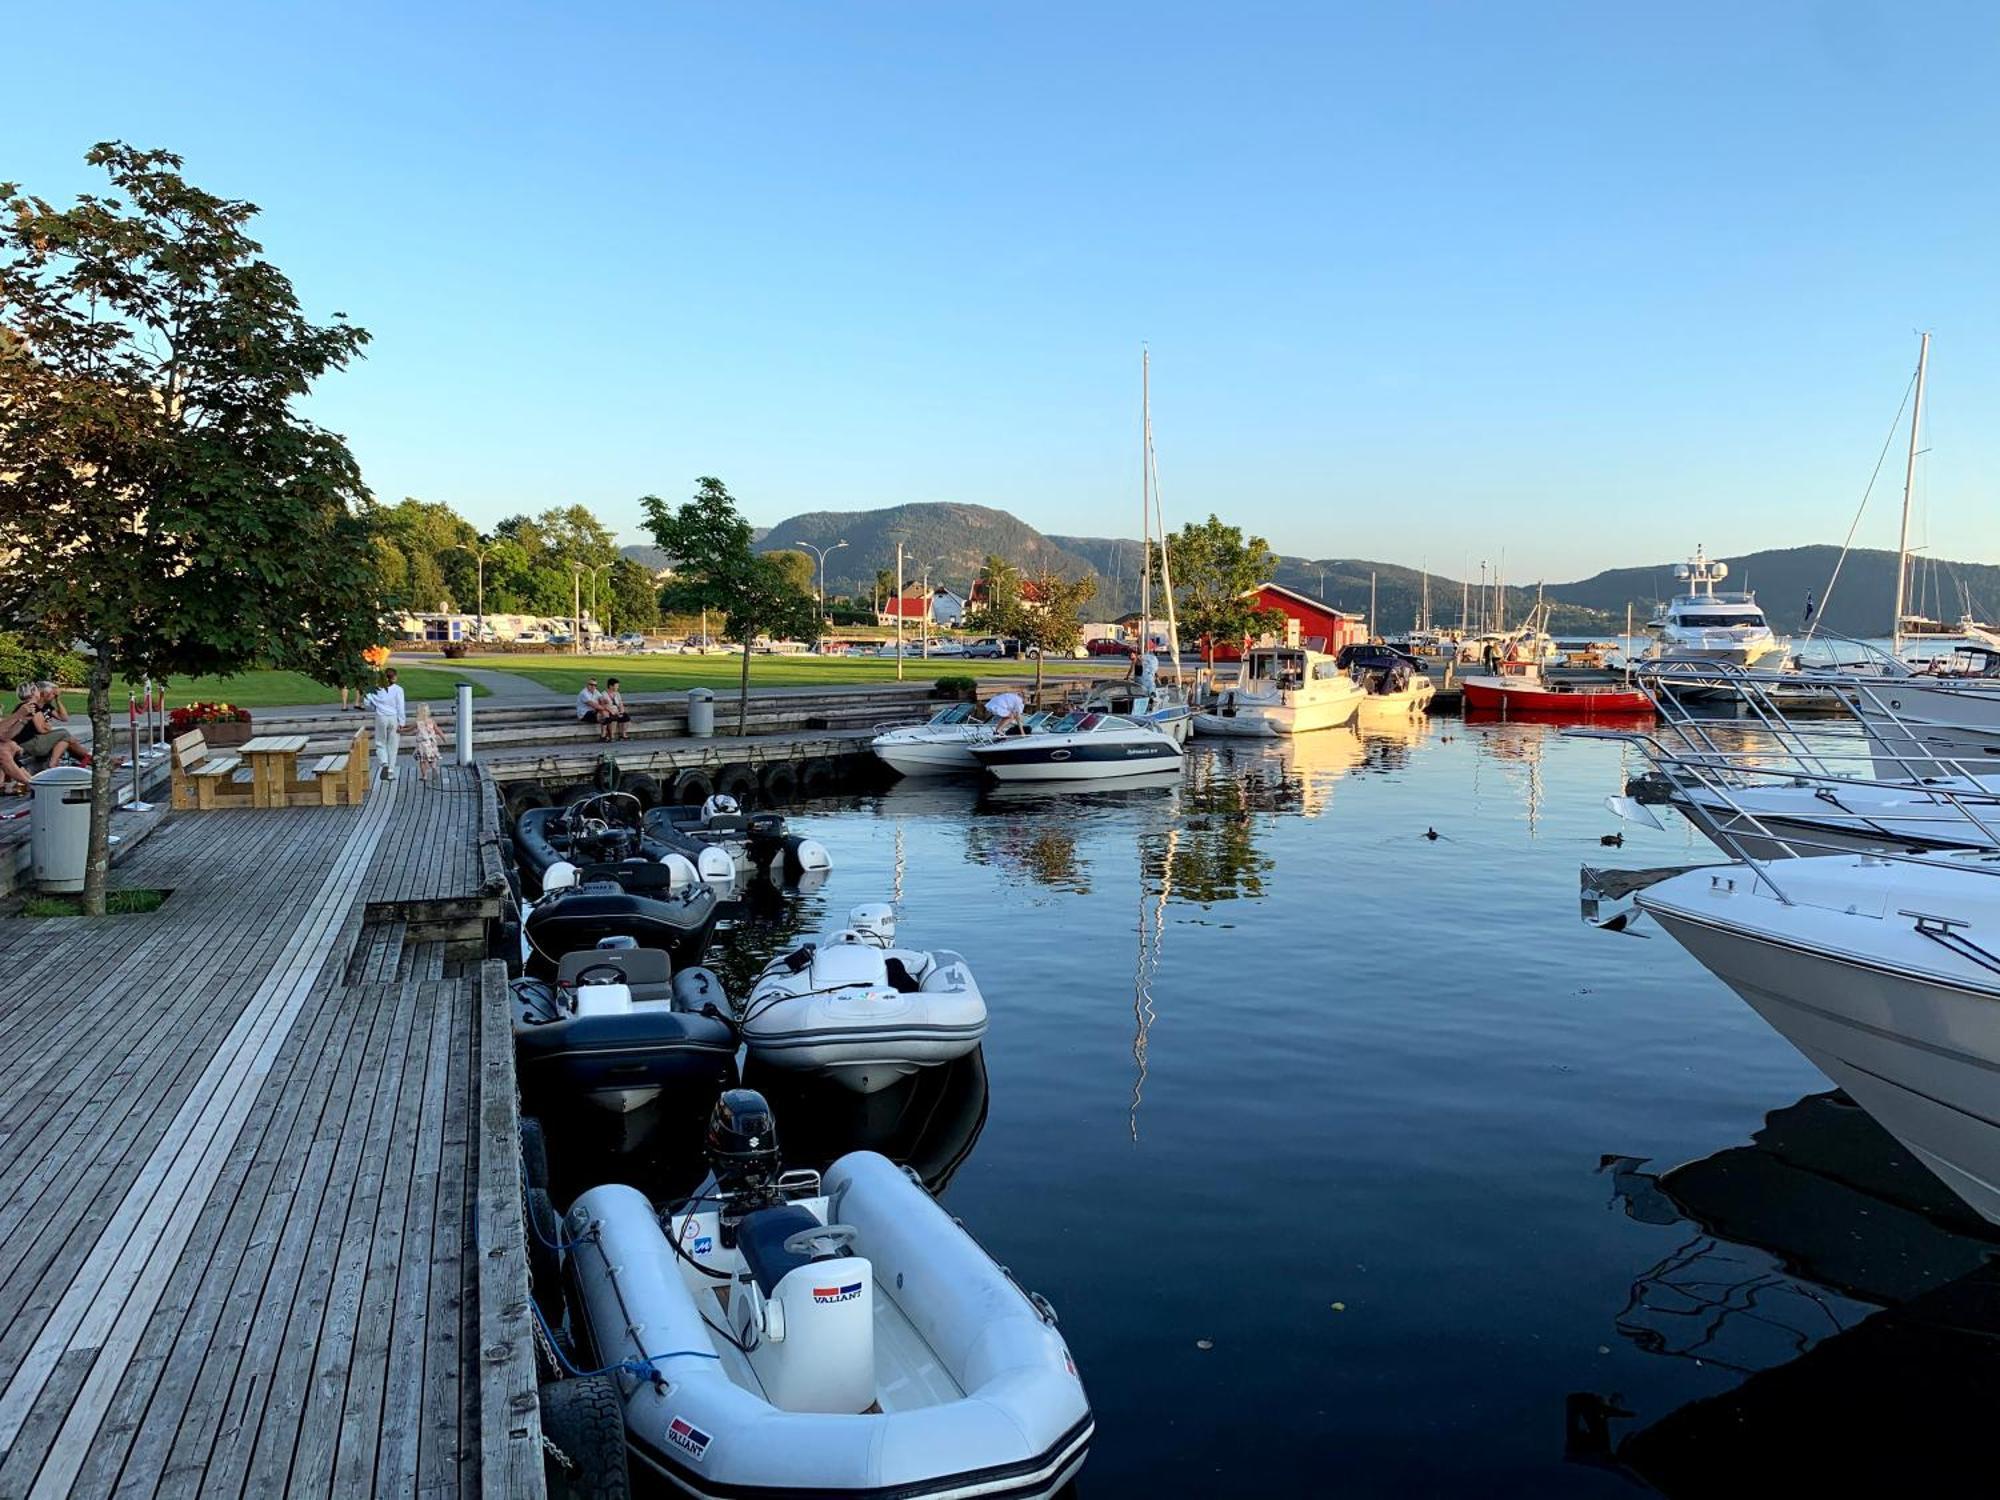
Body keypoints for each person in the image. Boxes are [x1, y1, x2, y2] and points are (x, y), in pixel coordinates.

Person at [11, 683, 90, 771]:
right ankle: (54, 764)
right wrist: (47, 727)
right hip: (31, 744)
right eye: (37, 690)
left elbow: (64, 718)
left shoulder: (25, 706)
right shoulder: (32, 706)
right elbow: (42, 729)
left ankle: (86, 759)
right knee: (64, 734)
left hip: (28, 742)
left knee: (66, 739)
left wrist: (57, 700)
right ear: (34, 693)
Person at [364, 667, 408, 780]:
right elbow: (400, 707)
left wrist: (374, 706)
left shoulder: (375, 689)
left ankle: (384, 763)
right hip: (393, 717)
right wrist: (402, 722)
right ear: (394, 677)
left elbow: (367, 702)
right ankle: (391, 771)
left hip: (380, 717)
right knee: (393, 744)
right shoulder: (398, 689)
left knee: (380, 742)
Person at [412, 703, 442, 782]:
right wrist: (443, 737)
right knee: (432, 758)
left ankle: (424, 776)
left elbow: (409, 729)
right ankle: (434, 768)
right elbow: (438, 730)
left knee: (422, 761)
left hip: (422, 745)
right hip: (431, 744)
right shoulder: (431, 721)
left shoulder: (418, 722)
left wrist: (401, 730)